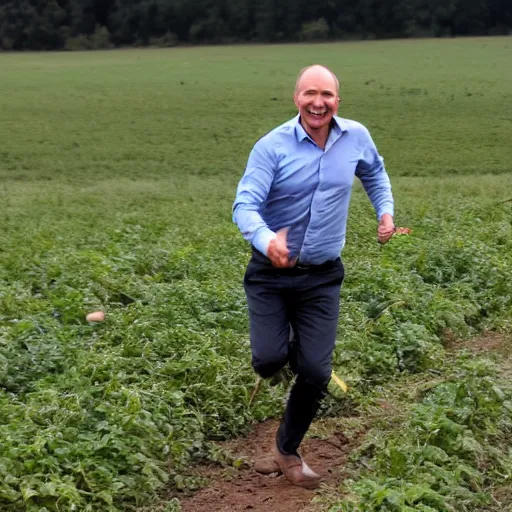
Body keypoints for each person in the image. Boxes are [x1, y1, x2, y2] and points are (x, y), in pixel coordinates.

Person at [232, 65, 395, 489]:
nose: (318, 102)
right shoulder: (271, 146)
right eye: (310, 94)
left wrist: (385, 212)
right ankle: (288, 353)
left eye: (326, 94)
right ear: (296, 98)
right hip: (270, 273)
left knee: (317, 373)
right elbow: (244, 206)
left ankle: (286, 450)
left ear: (338, 100)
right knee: (268, 359)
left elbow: (375, 172)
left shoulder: (355, 136)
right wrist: (267, 239)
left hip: (322, 277)